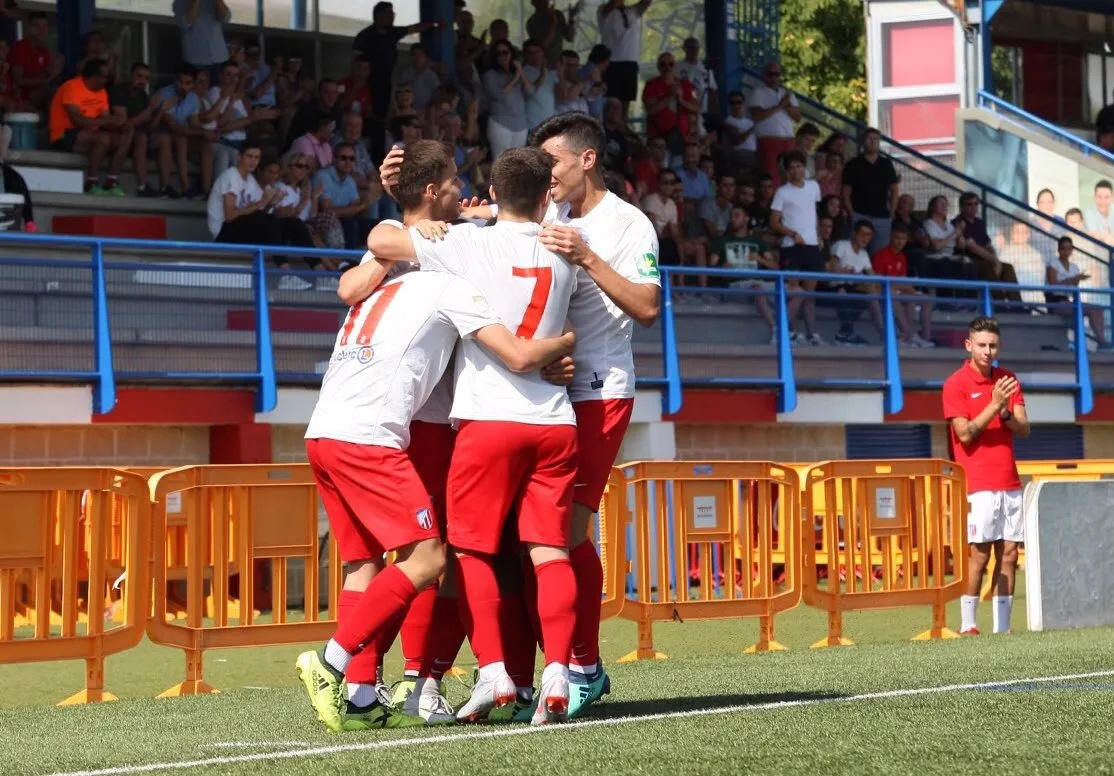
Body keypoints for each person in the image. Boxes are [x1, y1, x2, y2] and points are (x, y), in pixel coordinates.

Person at [296, 194, 577, 734]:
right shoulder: (454, 287)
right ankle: (337, 662)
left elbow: (367, 261)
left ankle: (358, 695)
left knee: (364, 566)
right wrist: (565, 343)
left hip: (323, 430)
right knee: (431, 557)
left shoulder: (382, 283)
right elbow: (518, 356)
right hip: (376, 439)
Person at [368, 146, 583, 726]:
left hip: (489, 420)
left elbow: (383, 243)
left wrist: (453, 220)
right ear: (546, 196)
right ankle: (559, 674)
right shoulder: (565, 243)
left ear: (489, 189)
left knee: (470, 550)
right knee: (549, 550)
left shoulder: (467, 243)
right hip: (556, 420)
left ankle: (493, 674)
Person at [943, 316, 1030, 636]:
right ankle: (968, 625)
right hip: (978, 484)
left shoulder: (1008, 379)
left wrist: (1005, 410)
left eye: (993, 345)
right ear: (969, 346)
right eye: (981, 345)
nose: (988, 351)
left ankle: (1002, 629)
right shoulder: (956, 384)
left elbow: (1024, 428)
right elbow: (964, 434)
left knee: (1009, 553)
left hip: (1009, 481)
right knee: (979, 553)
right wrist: (995, 405)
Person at [48, 58, 133, 196]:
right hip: (64, 134)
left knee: (125, 135)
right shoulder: (72, 87)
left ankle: (111, 181)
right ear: (93, 76)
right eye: (105, 77)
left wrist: (119, 123)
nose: (107, 81)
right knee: (103, 138)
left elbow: (104, 119)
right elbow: (77, 120)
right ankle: (91, 182)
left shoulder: (101, 92)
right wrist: (105, 121)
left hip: (90, 134)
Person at [769, 149, 824, 344]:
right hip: (791, 245)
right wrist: (793, 234)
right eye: (791, 168)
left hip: (811, 245)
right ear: (786, 171)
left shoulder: (813, 187)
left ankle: (812, 334)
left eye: (799, 166)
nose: (795, 171)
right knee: (793, 290)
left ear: (805, 168)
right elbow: (774, 222)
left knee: (809, 293)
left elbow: (813, 212)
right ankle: (787, 331)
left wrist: (818, 235)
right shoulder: (782, 192)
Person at [871, 222, 935, 347]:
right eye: (897, 238)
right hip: (885, 291)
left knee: (926, 299)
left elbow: (903, 280)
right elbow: (876, 283)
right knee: (908, 299)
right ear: (890, 237)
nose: (899, 242)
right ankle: (908, 336)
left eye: (903, 239)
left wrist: (906, 287)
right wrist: (900, 286)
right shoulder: (881, 255)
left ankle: (927, 337)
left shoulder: (902, 257)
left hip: (899, 291)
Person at [1045, 235, 1112, 349]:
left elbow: (1072, 290)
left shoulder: (1074, 267)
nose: (1066, 251)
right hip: (1055, 302)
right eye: (1063, 248)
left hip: (1068, 301)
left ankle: (1101, 339)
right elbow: (1053, 285)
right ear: (1059, 250)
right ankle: (1100, 341)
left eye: (1069, 248)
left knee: (1098, 308)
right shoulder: (1053, 263)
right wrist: (1073, 280)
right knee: (1089, 309)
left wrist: (1074, 281)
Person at [841, 127, 899, 255]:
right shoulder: (853, 164)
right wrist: (852, 213)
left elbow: (894, 190)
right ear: (863, 142)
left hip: (882, 218)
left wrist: (892, 212)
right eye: (869, 139)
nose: (872, 142)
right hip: (860, 215)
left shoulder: (886, 164)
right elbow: (845, 192)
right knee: (856, 253)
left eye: (876, 139)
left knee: (879, 255)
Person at [597, 0, 648, 118]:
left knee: (626, 103)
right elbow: (613, 3)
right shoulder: (603, 10)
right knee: (611, 104)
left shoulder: (631, 11)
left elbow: (645, 3)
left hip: (630, 62)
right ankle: (608, 132)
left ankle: (621, 131)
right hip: (612, 63)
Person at [483, 40, 530, 159]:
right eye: (498, 54)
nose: (502, 56)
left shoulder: (518, 74)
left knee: (518, 164)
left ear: (511, 54)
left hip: (521, 124)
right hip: (500, 124)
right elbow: (498, 95)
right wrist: (514, 78)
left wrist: (521, 73)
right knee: (501, 162)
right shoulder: (490, 75)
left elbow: (531, 92)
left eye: (505, 52)